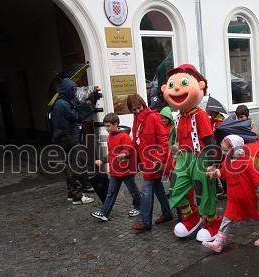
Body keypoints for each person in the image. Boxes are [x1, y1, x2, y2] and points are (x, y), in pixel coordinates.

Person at [162, 64, 222, 241]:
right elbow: (181, 138)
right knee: (175, 190)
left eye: (183, 83)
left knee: (204, 191)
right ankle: (191, 217)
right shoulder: (178, 116)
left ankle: (212, 223)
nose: (177, 89)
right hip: (184, 158)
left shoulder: (201, 115)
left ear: (200, 86)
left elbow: (209, 141)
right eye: (172, 85)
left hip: (200, 157)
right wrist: (176, 148)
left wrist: (212, 164)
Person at [202, 135, 259, 253]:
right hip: (233, 198)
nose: (224, 153)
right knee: (227, 218)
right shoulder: (227, 161)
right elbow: (223, 172)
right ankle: (218, 243)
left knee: (255, 217)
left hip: (247, 197)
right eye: (223, 150)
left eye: (226, 150)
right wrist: (215, 173)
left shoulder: (246, 161)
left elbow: (255, 176)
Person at [129, 93, 173, 232]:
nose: (137, 111)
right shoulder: (137, 119)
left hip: (154, 161)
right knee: (158, 188)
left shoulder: (153, 117)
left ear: (143, 104)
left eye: (138, 108)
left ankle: (145, 222)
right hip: (146, 161)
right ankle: (167, 213)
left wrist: (161, 159)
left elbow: (163, 139)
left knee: (147, 190)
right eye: (134, 110)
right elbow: (136, 140)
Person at [90, 113, 141, 221]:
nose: (106, 128)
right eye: (105, 126)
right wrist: (102, 161)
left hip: (126, 171)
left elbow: (130, 149)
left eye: (108, 126)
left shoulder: (124, 136)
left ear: (116, 124)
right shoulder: (110, 137)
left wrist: (124, 154)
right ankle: (104, 213)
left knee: (133, 190)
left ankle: (139, 207)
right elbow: (111, 154)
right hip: (115, 171)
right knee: (111, 192)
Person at [51, 78, 94, 205]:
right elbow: (76, 117)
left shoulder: (61, 102)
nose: (74, 92)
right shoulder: (63, 104)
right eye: (72, 90)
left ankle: (71, 194)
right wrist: (84, 104)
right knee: (75, 166)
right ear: (67, 90)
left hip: (63, 138)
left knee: (69, 166)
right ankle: (78, 197)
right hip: (68, 139)